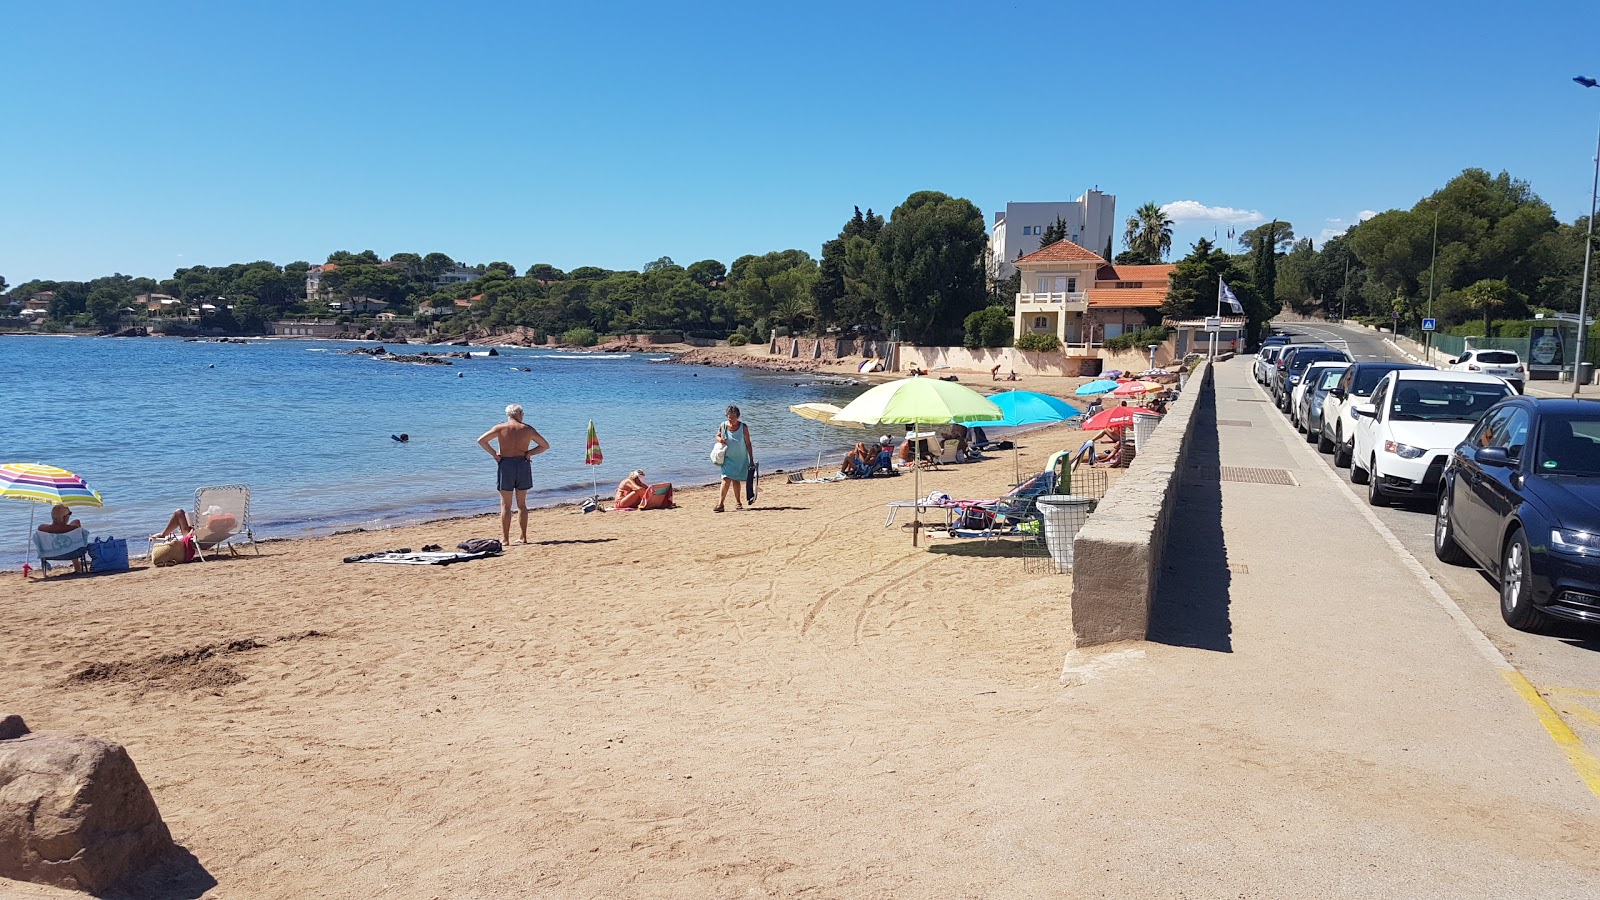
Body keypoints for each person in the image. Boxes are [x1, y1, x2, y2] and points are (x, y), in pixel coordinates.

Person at [477, 403, 550, 544]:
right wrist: (530, 452)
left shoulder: (500, 428)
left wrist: (494, 454)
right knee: (522, 505)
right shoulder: (527, 429)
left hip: (506, 465)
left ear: (508, 415)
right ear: (519, 414)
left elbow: (481, 441)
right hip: (523, 464)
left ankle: (505, 539)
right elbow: (545, 445)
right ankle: (523, 537)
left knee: (506, 505)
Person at [714, 404, 754, 513]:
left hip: (740, 459)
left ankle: (738, 502)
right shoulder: (723, 426)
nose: (731, 420)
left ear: (738, 416)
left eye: (733, 418)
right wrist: (720, 440)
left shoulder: (743, 427)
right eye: (729, 417)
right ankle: (720, 504)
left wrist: (751, 459)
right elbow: (717, 436)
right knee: (726, 478)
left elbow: (748, 444)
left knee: (736, 480)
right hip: (727, 458)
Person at [37, 504, 89, 573]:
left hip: (50, 555)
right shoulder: (74, 528)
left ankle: (45, 569)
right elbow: (77, 524)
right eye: (69, 514)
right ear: (65, 517)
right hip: (73, 553)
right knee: (75, 526)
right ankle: (77, 566)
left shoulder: (42, 529)